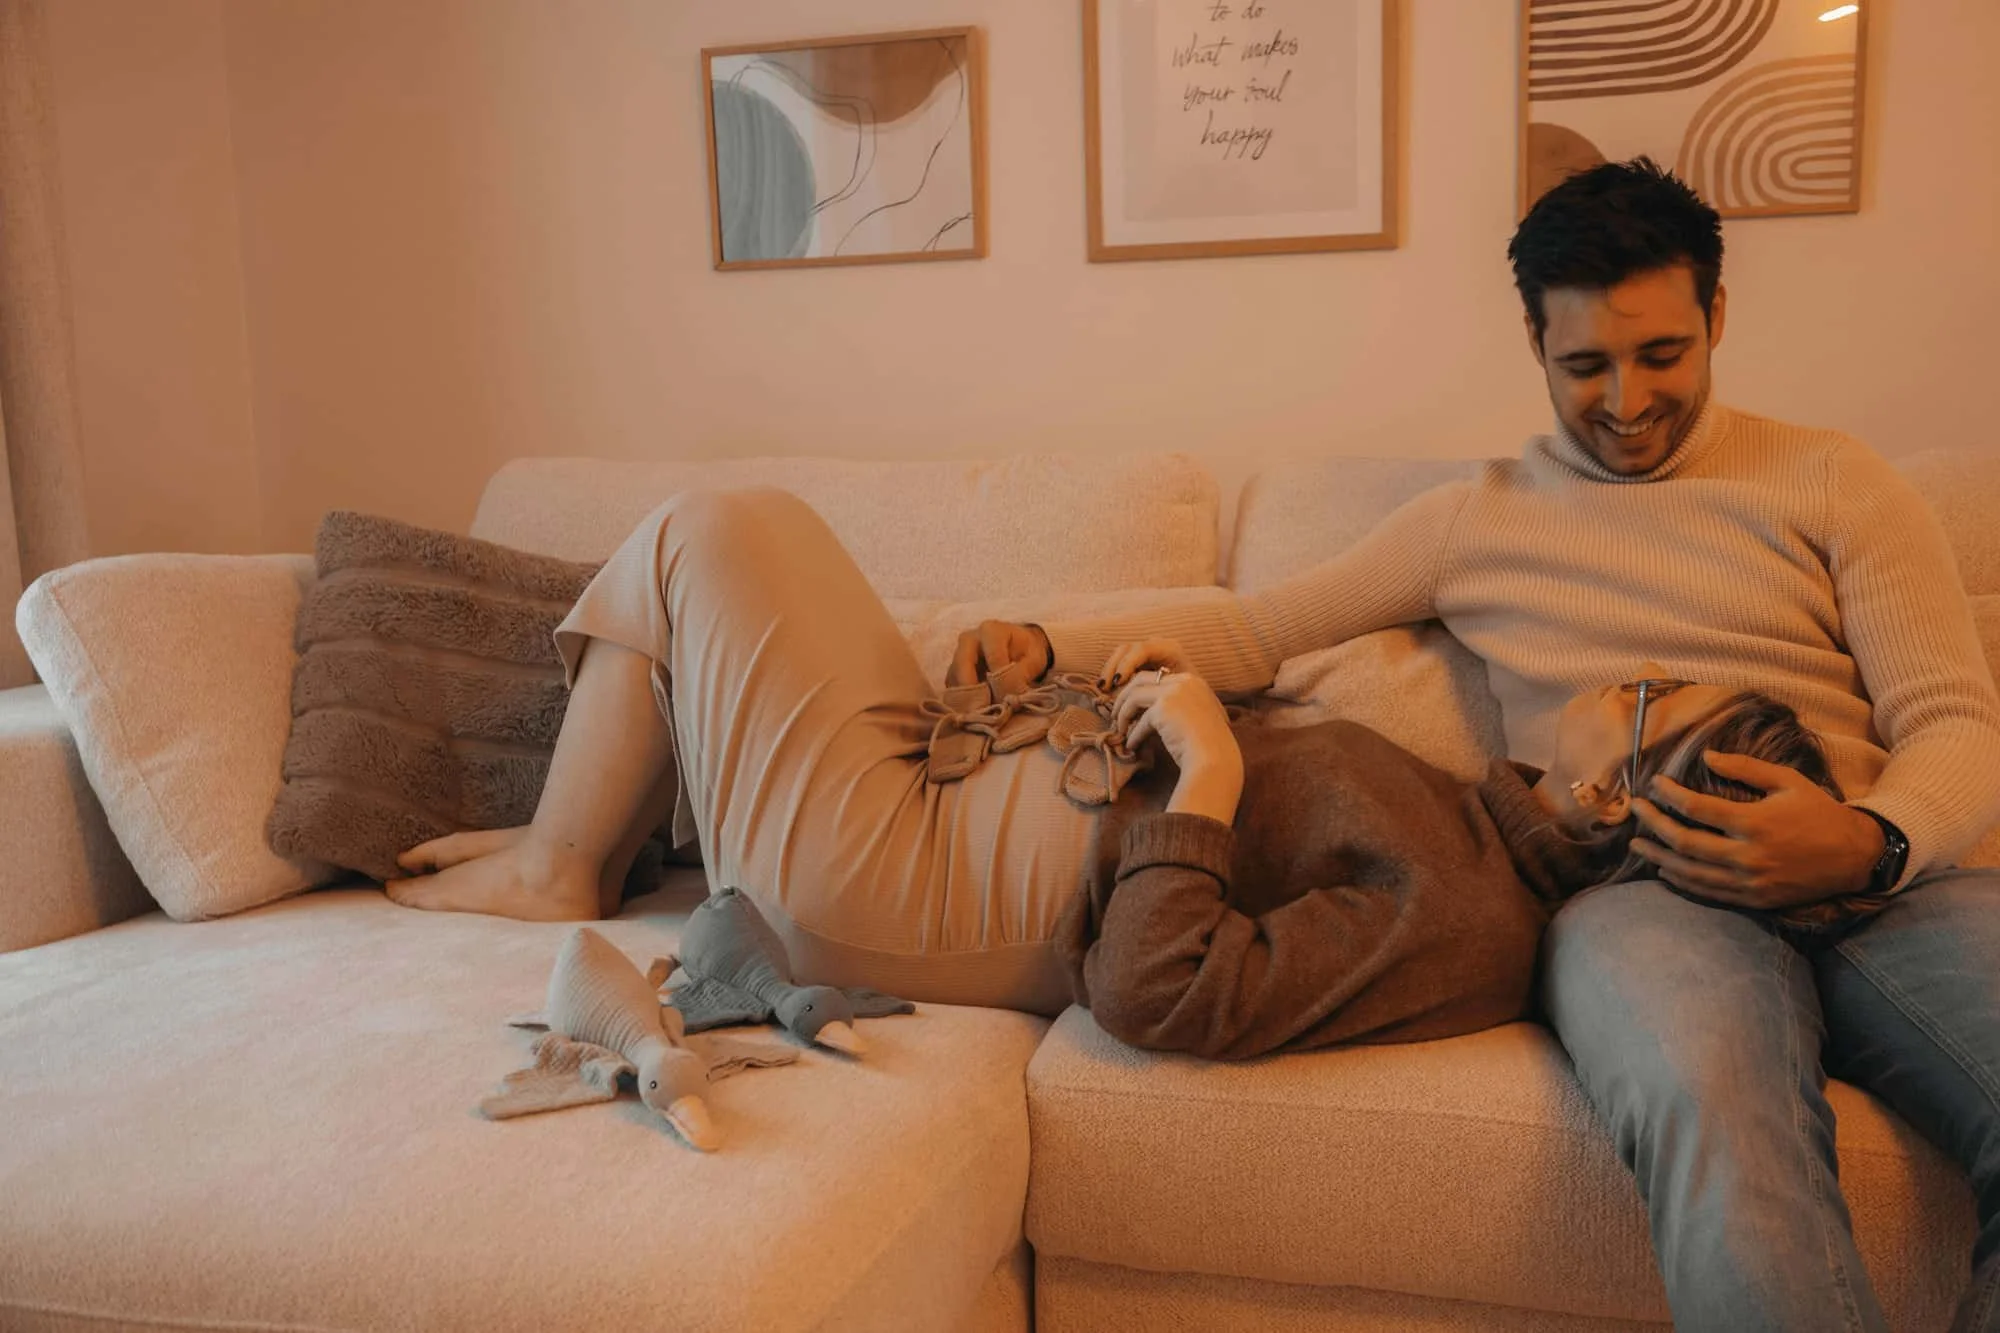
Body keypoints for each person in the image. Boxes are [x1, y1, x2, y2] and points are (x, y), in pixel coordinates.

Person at [972, 159, 2000, 1331]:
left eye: (1660, 354)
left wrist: (1870, 839)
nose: (1623, 400)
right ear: (1532, 342)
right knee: (1719, 1114)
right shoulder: (1474, 518)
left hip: (1888, 879)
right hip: (1639, 896)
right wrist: (1044, 636)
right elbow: (1257, 629)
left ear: (1715, 317)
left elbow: (1956, 721)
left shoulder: (1833, 480)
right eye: (1583, 366)